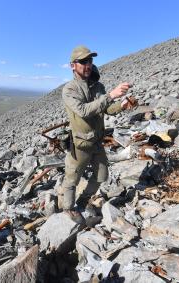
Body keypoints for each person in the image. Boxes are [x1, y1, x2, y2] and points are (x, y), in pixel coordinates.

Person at [61, 45, 136, 222]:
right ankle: (68, 208)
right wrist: (110, 95)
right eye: (83, 61)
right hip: (80, 144)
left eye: (90, 61)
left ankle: (84, 200)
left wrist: (121, 105)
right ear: (73, 65)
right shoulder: (69, 89)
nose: (88, 65)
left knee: (102, 175)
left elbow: (107, 109)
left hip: (97, 141)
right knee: (72, 178)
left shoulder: (98, 86)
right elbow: (84, 111)